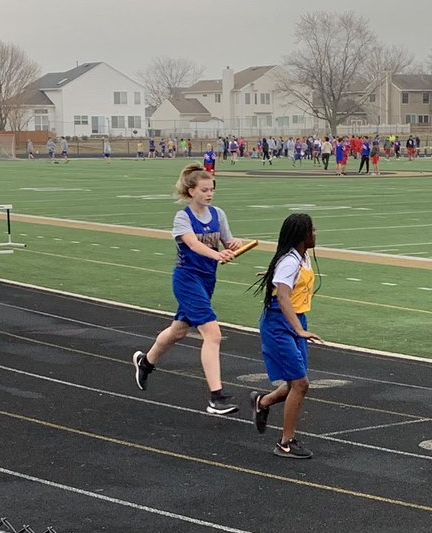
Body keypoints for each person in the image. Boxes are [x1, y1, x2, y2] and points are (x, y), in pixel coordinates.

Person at [131, 163, 245, 415]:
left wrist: (235, 245)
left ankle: (145, 362)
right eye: (204, 189)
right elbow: (193, 245)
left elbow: (227, 243)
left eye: (211, 189)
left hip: (207, 281)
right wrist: (217, 255)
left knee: (179, 331)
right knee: (213, 334)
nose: (209, 194)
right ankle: (216, 397)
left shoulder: (218, 214)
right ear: (191, 191)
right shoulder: (183, 217)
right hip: (186, 279)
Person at [250, 213, 322, 459]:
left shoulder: (302, 257)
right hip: (280, 323)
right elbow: (282, 297)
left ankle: (262, 402)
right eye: (312, 230)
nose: (316, 234)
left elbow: (286, 284)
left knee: (294, 383)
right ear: (301, 235)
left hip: (296, 319)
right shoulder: (290, 261)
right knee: (301, 384)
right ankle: (285, 443)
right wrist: (298, 330)